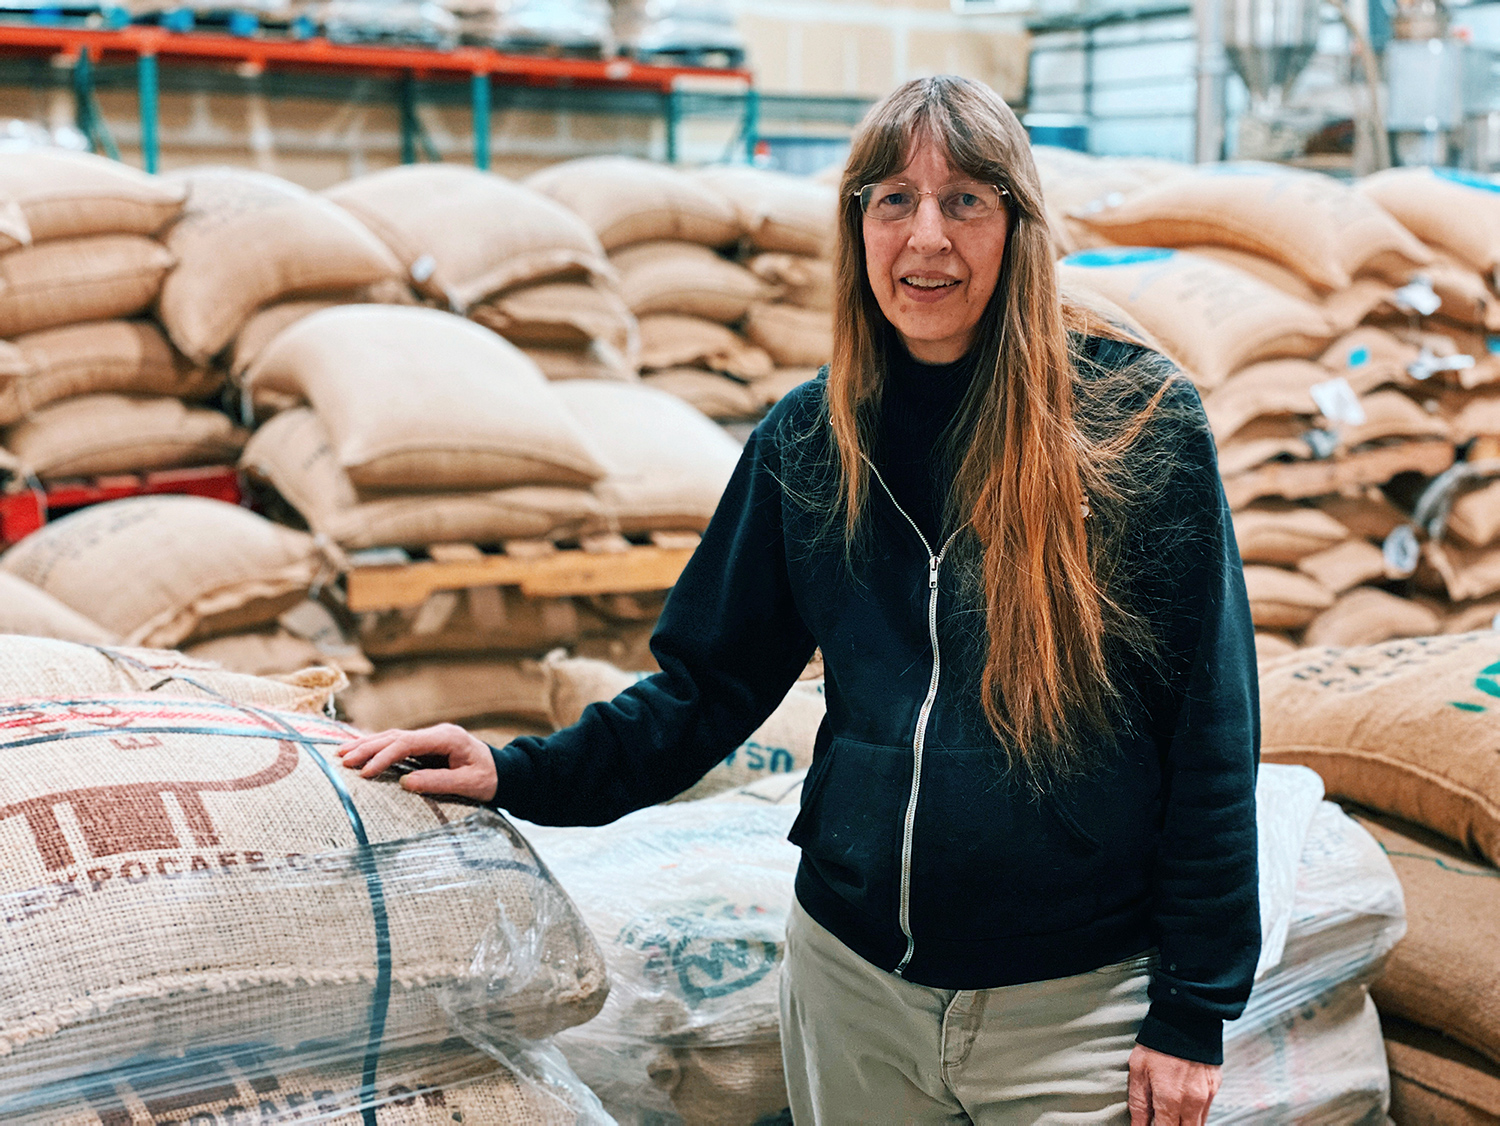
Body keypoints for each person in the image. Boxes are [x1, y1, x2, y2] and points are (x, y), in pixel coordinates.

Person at [339, 75, 1260, 1126]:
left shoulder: (1135, 422)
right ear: (857, 225)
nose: (927, 237)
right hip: (852, 990)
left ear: (1018, 224)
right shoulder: (813, 439)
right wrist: (517, 769)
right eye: (893, 200)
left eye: (965, 200)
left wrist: (1193, 1009)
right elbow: (706, 688)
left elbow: (1211, 724)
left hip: (1073, 1005)